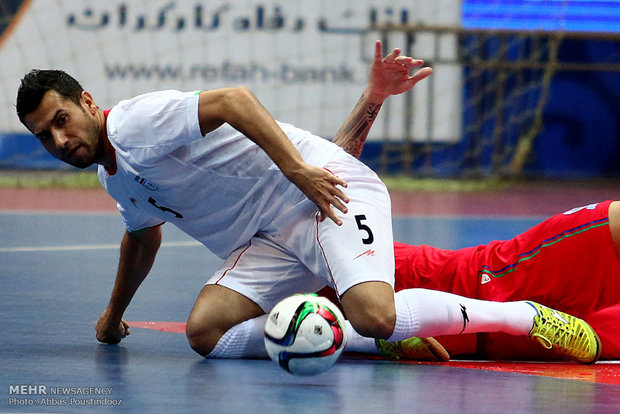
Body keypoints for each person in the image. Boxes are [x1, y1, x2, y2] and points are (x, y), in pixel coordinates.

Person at [16, 40, 600, 365]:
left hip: (327, 197)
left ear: (87, 102)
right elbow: (141, 236)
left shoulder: (138, 120)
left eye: (61, 120)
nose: (60, 140)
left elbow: (234, 100)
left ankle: (527, 317)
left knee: (377, 312)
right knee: (205, 335)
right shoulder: (113, 177)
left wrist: (296, 170)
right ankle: (375, 335)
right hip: (269, 243)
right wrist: (114, 314)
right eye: (45, 135)